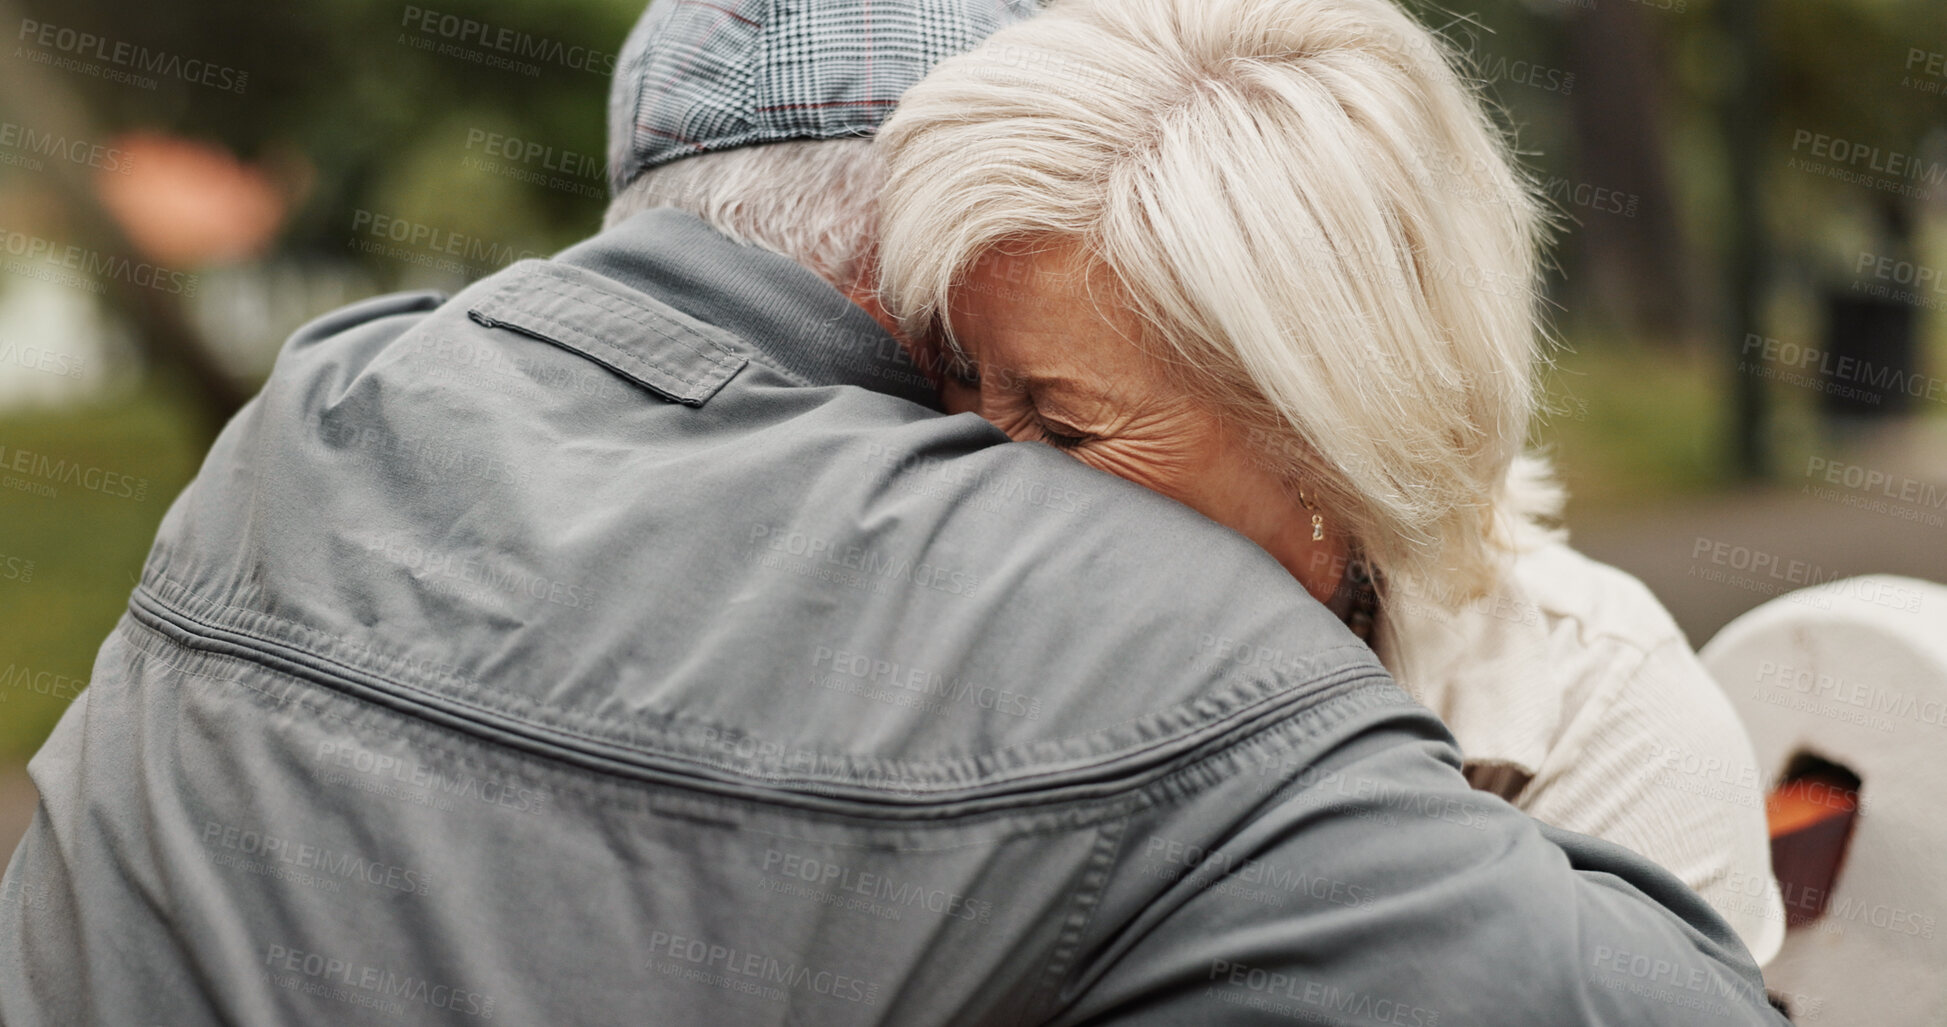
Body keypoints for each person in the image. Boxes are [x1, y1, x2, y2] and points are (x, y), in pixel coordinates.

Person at [0, 1, 1788, 1024]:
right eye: (960, 387)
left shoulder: (325, 405)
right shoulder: (1097, 660)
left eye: (1051, 404)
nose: (987, 478)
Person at [874, 0, 1787, 962]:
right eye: (960, 374)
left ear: (1326, 443)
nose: (971, 472)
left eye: (1060, 425)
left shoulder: (1596, 726)